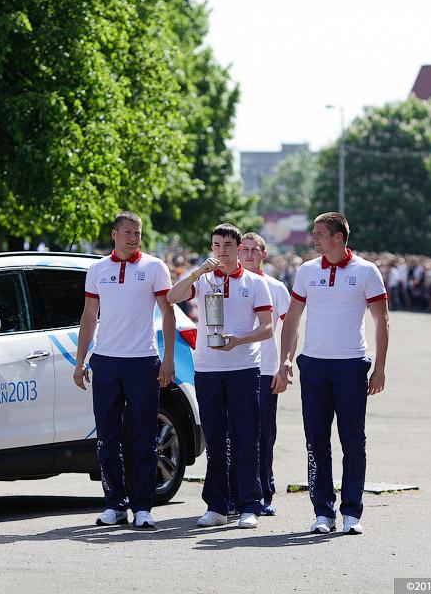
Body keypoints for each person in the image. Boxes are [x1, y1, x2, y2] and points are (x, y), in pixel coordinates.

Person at [274, 212, 389, 535]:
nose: (314, 238)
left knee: (353, 441)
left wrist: (379, 368)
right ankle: (323, 512)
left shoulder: (366, 271)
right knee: (316, 442)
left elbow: (382, 321)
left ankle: (352, 512)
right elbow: (293, 318)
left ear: (338, 237)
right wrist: (286, 359)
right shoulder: (307, 271)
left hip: (351, 366)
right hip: (313, 366)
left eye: (320, 233)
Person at [166, 223, 273, 529]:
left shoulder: (253, 283)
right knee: (214, 438)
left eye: (227, 245)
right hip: (208, 368)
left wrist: (238, 340)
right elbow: (173, 297)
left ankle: (249, 504)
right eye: (216, 245)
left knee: (246, 436)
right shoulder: (203, 281)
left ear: (239, 249)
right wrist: (197, 273)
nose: (221, 251)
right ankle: (216, 506)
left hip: (243, 368)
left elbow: (267, 327)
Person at [74, 211, 176, 529]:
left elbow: (168, 313)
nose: (134, 238)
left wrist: (168, 359)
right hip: (105, 362)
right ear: (114, 234)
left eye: (139, 233)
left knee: (144, 438)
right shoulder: (97, 269)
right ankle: (115, 504)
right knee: (107, 438)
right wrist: (80, 361)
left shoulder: (154, 267)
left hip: (143, 361)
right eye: (129, 232)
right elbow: (89, 316)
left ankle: (143, 506)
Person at [235, 232, 292, 516]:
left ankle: (264, 493)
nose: (247, 254)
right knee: (236, 433)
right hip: (235, 369)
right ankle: (237, 494)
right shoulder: (229, 283)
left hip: (266, 370)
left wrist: (285, 363)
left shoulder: (275, 287)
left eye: (253, 250)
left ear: (263, 254)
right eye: (243, 249)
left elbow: (290, 328)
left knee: (263, 435)